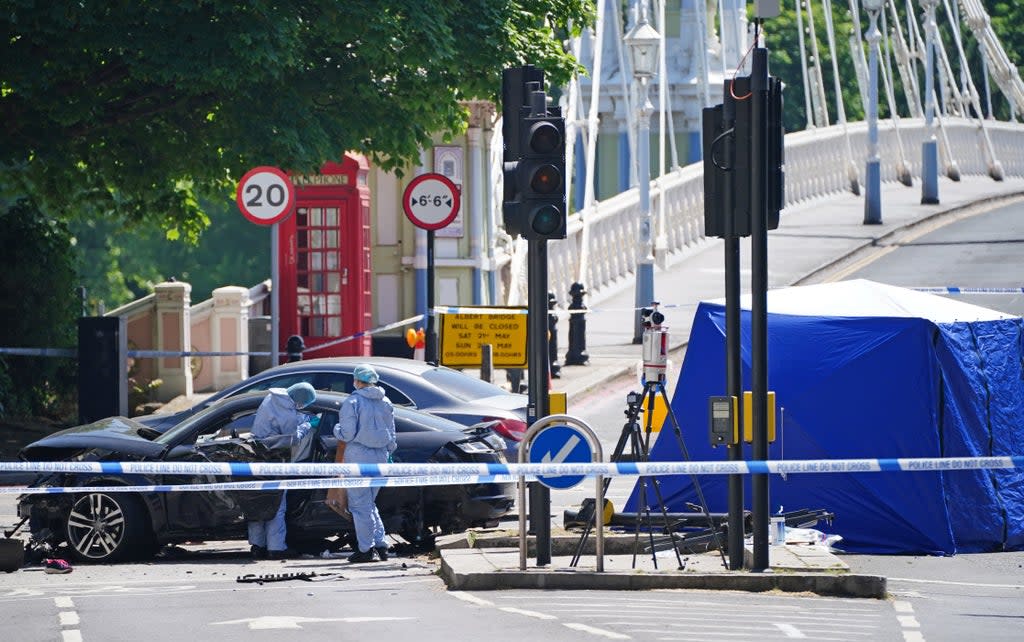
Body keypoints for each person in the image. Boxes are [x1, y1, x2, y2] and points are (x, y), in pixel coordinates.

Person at [333, 364, 397, 563]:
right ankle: (380, 545)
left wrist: (336, 429)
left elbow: (347, 433)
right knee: (369, 503)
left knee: (360, 506)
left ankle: (365, 549)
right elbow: (392, 436)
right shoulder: (386, 401)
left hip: (358, 457)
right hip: (380, 458)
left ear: (357, 381)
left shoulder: (352, 402)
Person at [247, 382, 317, 560]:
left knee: (257, 503)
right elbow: (291, 438)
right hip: (274, 458)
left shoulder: (272, 399)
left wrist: (299, 419)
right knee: (277, 504)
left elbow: (276, 424)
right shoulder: (288, 413)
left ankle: (257, 546)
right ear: (299, 401)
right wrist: (307, 426)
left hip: (256, 455)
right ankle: (276, 548)